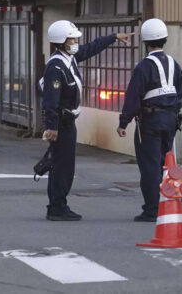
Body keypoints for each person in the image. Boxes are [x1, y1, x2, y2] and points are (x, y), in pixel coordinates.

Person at [41, 20, 132, 221]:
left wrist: (114, 37)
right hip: (61, 123)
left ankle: (58, 204)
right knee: (62, 165)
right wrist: (51, 126)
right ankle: (57, 206)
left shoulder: (69, 58)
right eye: (72, 38)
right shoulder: (56, 66)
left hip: (68, 121)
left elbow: (91, 48)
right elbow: (51, 100)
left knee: (64, 164)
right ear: (61, 41)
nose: (76, 42)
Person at [116, 18, 182, 222]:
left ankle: (152, 210)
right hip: (171, 119)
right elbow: (179, 93)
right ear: (165, 39)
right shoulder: (174, 64)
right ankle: (170, 203)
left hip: (150, 120)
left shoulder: (143, 67)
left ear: (145, 41)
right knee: (166, 163)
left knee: (150, 165)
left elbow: (133, 96)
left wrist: (123, 122)